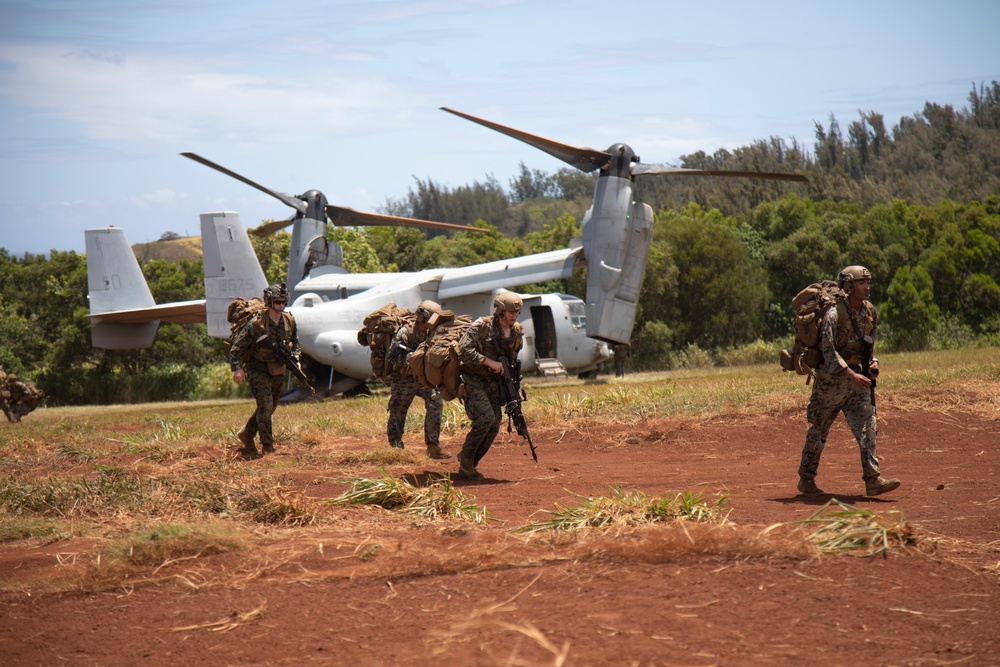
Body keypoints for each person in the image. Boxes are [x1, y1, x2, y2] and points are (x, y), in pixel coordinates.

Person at [797, 266, 900, 497]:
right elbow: (828, 350)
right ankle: (806, 480)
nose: (867, 286)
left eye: (868, 282)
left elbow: (869, 346)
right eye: (862, 282)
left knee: (867, 427)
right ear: (849, 286)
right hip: (830, 382)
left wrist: (872, 364)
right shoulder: (834, 314)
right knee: (819, 431)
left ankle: (873, 480)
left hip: (858, 382)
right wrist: (851, 374)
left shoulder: (870, 312)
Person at [455, 290, 523, 480]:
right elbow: (463, 349)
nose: (513, 316)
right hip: (475, 379)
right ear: (500, 311)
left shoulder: (516, 331)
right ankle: (467, 461)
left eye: (516, 313)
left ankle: (469, 462)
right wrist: (488, 362)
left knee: (494, 425)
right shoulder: (482, 326)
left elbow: (513, 359)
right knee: (485, 418)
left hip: (496, 383)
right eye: (510, 313)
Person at [230, 283, 300, 458]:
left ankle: (247, 434)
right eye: (277, 302)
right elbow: (237, 347)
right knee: (266, 405)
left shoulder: (289, 320)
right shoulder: (257, 323)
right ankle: (267, 447)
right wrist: (237, 369)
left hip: (277, 369)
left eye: (284, 302)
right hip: (257, 368)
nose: (281, 306)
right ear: (269, 301)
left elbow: (296, 343)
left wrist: (296, 358)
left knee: (270, 406)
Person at [385, 300, 451, 459]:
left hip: (423, 378)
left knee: (436, 402)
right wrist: (412, 359)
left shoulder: (433, 333)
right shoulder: (406, 332)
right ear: (423, 317)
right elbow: (392, 356)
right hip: (403, 379)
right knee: (398, 410)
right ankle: (396, 448)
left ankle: (433, 446)